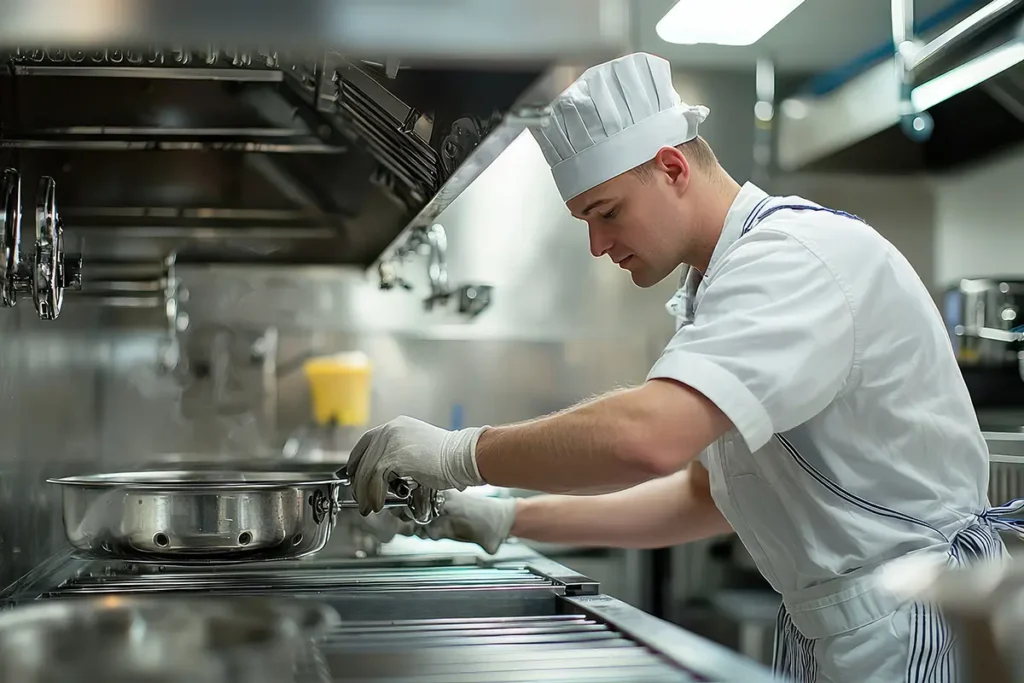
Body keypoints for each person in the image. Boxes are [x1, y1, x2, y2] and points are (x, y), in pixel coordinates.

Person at [347, 52, 1019, 682]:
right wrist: (504, 519)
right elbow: (700, 499)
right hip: (841, 630)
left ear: (672, 167)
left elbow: (647, 436)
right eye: (585, 219)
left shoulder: (793, 259)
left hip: (910, 623)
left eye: (606, 212)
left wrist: (460, 452)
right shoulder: (718, 286)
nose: (598, 243)